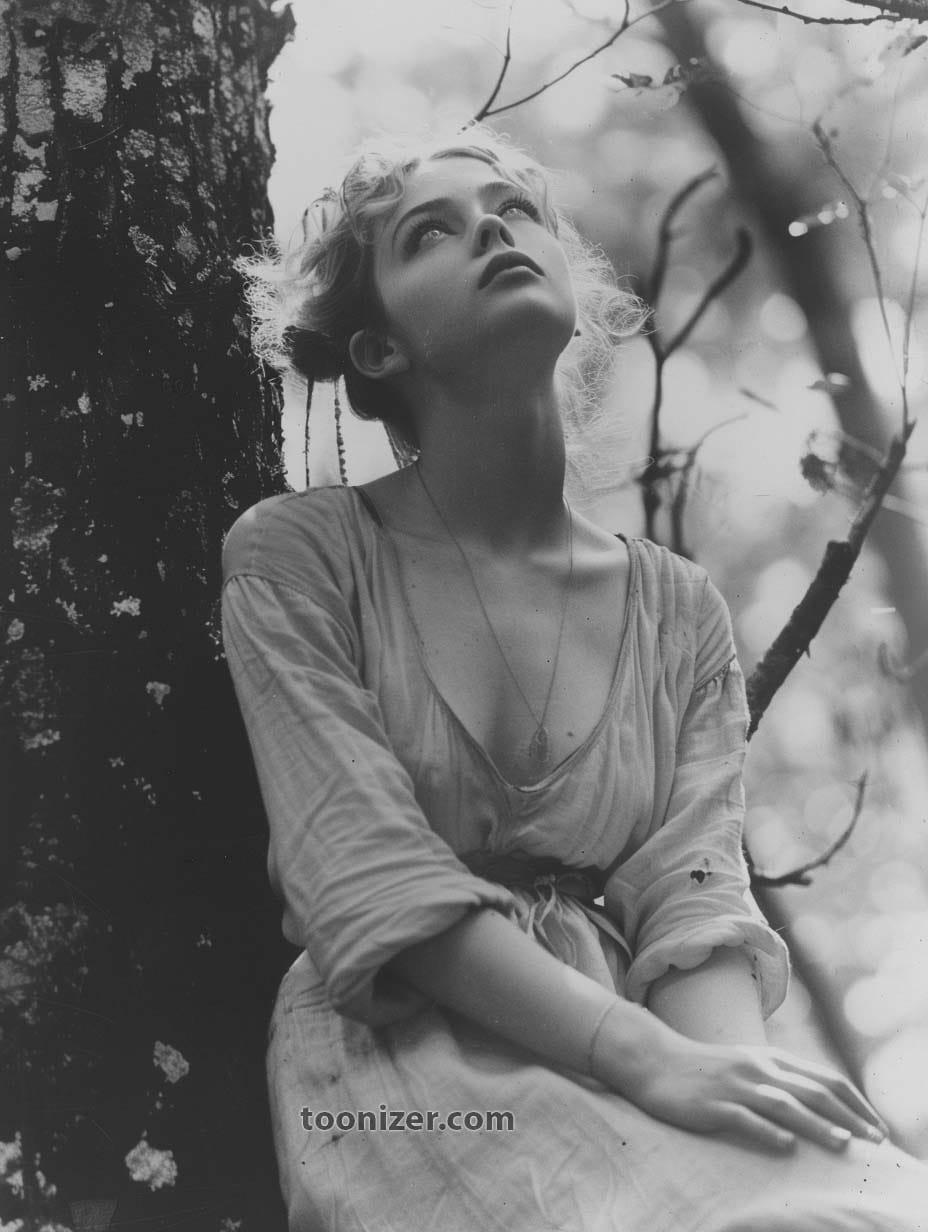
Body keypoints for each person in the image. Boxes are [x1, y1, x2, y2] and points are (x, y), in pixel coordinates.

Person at [222, 128, 928, 1230]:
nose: (492, 228)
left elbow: (691, 898)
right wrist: (644, 1061)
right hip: (409, 1076)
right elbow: (361, 877)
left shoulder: (676, 607)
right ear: (377, 351)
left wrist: (741, 1091)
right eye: (432, 232)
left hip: (636, 1038)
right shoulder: (299, 554)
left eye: (513, 208)